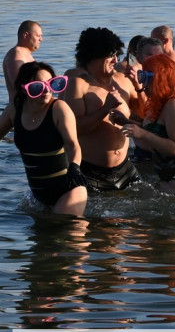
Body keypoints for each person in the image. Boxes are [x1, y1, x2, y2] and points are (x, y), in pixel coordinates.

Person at [0, 61, 88, 215]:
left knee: (68, 231)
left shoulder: (59, 109)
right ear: (24, 88)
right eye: (38, 87)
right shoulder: (15, 110)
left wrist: (75, 167)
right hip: (38, 197)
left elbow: (73, 145)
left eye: (52, 84)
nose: (47, 90)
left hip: (68, 190)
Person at [62, 27, 143, 191]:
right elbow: (76, 129)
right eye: (110, 55)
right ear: (93, 56)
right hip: (92, 172)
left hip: (125, 170)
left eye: (117, 54)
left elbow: (146, 116)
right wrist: (105, 108)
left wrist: (139, 88)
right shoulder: (78, 85)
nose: (115, 59)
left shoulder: (124, 81)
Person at [121, 54, 175, 197]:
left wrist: (142, 134)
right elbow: (152, 130)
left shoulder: (174, 105)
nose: (142, 83)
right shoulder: (157, 104)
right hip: (168, 179)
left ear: (159, 79)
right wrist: (124, 121)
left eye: (144, 77)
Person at [4, 20, 42, 100]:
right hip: (21, 109)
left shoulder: (25, 54)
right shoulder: (17, 54)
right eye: (38, 36)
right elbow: (19, 86)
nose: (41, 39)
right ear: (26, 35)